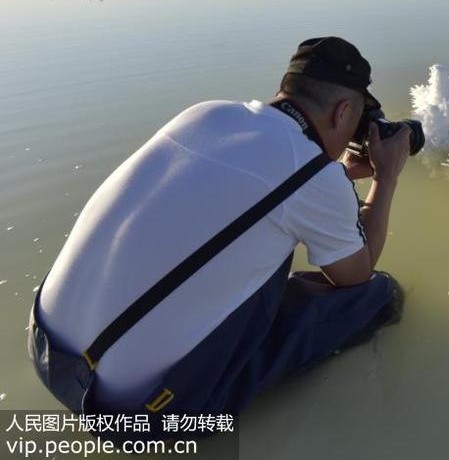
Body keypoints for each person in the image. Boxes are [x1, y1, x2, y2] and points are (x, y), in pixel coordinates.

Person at [28, 36, 410, 419]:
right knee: (376, 295)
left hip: (45, 346)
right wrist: (386, 176)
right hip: (129, 413)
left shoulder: (206, 114)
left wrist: (335, 174)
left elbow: (251, 190)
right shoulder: (314, 178)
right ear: (344, 111)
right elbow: (356, 274)